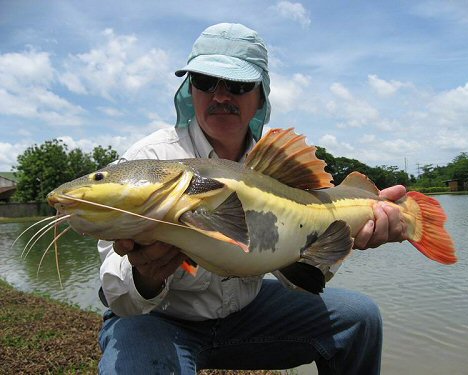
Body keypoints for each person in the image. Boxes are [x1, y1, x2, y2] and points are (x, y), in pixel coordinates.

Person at [97, 23, 407, 375]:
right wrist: (147, 276)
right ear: (189, 90)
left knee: (359, 318)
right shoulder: (148, 161)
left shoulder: (277, 167)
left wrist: (349, 235)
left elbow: (300, 276)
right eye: (204, 82)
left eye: (238, 85)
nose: (220, 96)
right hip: (160, 320)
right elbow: (117, 298)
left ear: (261, 96)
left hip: (247, 316)